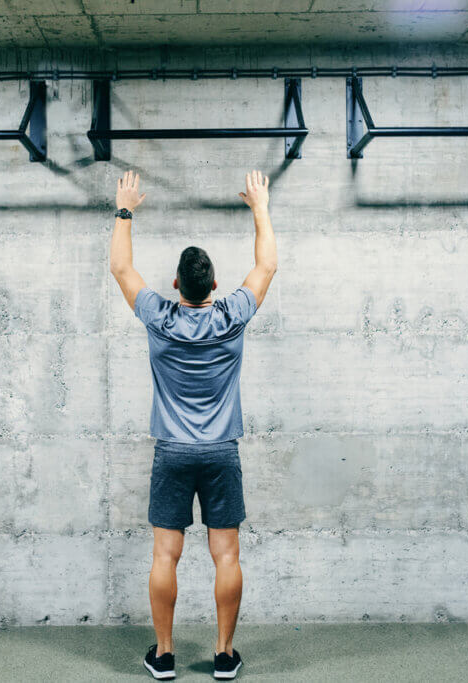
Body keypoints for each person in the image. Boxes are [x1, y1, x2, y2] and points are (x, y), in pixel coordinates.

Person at [109, 169, 277, 680]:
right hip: (221, 451)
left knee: (166, 554)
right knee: (226, 555)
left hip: (174, 452)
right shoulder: (233, 315)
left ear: (177, 283)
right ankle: (224, 656)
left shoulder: (159, 317)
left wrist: (125, 209)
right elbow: (267, 265)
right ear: (215, 284)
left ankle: (164, 656)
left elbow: (121, 268)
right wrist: (259, 207)